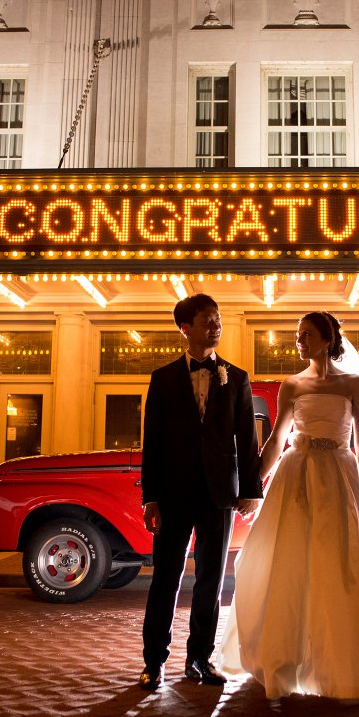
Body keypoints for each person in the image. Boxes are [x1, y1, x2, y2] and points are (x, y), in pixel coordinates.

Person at [217, 311, 359, 700]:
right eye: (297, 335)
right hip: (296, 476)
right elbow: (277, 440)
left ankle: (346, 657)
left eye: (306, 334)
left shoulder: (353, 384)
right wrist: (253, 483)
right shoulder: (291, 385)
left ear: (326, 339)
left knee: (341, 561)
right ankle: (285, 658)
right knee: (289, 560)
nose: (299, 341)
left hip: (340, 475)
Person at [139, 294, 263, 690]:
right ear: (185, 328)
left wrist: (249, 490)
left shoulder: (236, 377)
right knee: (166, 578)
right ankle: (154, 662)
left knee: (211, 580)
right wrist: (151, 497)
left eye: (218, 318)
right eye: (207, 319)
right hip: (173, 494)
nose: (215, 325)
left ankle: (199, 660)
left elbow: (247, 438)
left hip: (218, 495)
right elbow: (152, 442)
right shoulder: (162, 379)